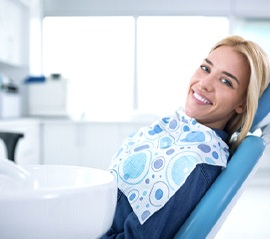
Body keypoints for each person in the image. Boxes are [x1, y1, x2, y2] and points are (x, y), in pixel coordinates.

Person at [101, 35, 270, 239]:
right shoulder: (175, 128)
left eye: (226, 81)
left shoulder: (194, 164)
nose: (204, 83)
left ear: (242, 104)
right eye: (206, 68)